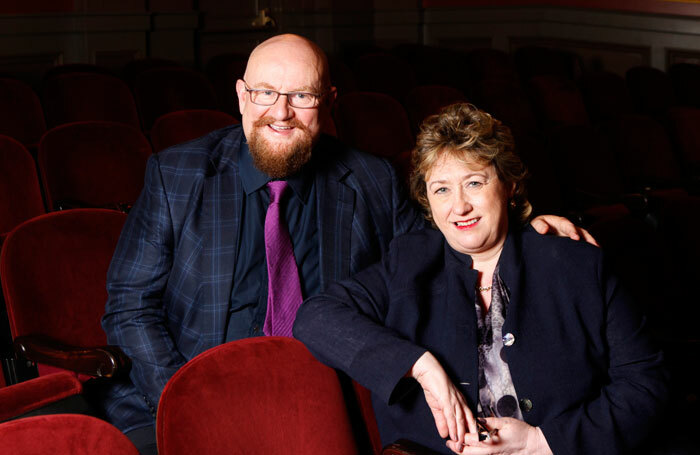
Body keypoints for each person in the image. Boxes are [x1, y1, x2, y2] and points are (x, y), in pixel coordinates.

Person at [102, 35, 593, 454]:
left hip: (323, 402)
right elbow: (128, 308)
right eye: (265, 93)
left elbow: (442, 255)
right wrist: (186, 395)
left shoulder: (372, 180)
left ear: (330, 101)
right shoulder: (178, 175)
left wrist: (522, 230)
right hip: (187, 390)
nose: (281, 112)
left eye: (301, 96)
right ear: (240, 96)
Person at [294, 103, 668, 455]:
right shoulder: (408, 261)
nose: (459, 206)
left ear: (508, 186)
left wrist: (541, 442)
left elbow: (646, 385)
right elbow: (316, 316)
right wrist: (420, 365)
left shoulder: (576, 263)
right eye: (441, 189)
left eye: (474, 183)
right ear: (426, 199)